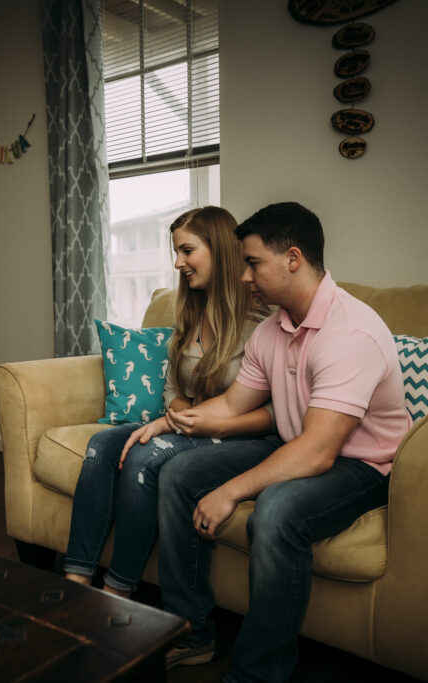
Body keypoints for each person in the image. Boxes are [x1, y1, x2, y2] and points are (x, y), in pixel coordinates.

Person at [157, 202, 413, 681]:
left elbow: (319, 452)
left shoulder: (350, 332)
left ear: (293, 258)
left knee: (275, 512)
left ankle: (258, 673)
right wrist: (168, 423)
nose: (245, 276)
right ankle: (192, 633)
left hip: (362, 467)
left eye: (253, 263)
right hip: (293, 445)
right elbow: (233, 405)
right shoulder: (271, 330)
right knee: (176, 473)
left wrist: (231, 491)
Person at [63, 206, 278, 597]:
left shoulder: (263, 323)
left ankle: (118, 592)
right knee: (101, 445)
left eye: (187, 251)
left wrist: (195, 422)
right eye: (175, 252)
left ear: (220, 251)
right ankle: (76, 582)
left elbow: (277, 414)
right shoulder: (191, 312)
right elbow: (170, 391)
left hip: (238, 438)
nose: (178, 262)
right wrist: (181, 415)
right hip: (188, 429)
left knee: (144, 458)